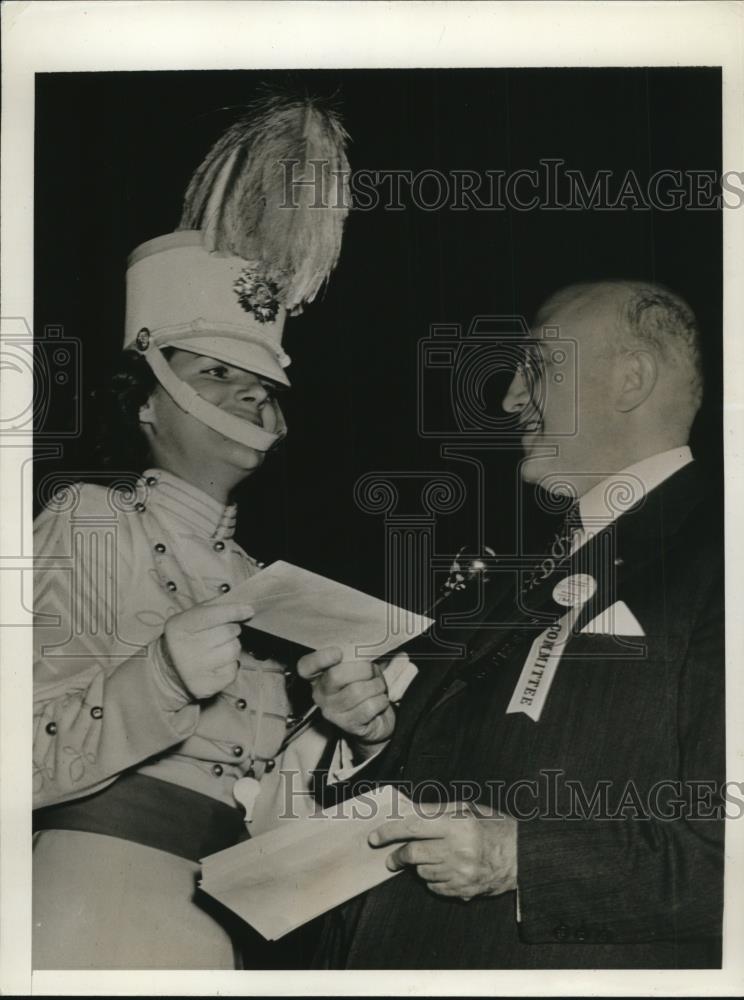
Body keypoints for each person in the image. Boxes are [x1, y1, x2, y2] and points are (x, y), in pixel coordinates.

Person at [297, 279, 725, 969]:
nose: (509, 398)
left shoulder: (720, 550)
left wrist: (516, 856)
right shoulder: (511, 573)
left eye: (536, 367)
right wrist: (369, 735)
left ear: (631, 379)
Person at [31, 93, 360, 970]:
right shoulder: (91, 520)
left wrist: (338, 730)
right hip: (97, 898)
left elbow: (268, 807)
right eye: (215, 373)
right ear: (148, 400)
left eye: (261, 383)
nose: (251, 396)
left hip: (226, 921)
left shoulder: (267, 577)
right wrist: (164, 672)